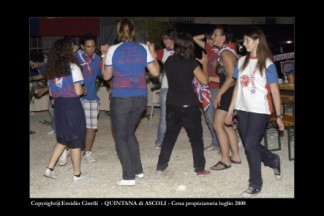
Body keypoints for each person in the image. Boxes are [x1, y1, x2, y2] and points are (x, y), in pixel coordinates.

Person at [225, 26, 284, 197]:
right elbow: (237, 86)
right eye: (244, 40)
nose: (244, 44)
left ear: (257, 41)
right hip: (242, 109)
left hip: (261, 110)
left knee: (250, 145)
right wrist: (231, 110)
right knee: (252, 145)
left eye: (247, 40)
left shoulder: (268, 64)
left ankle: (255, 184)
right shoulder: (241, 61)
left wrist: (279, 116)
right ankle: (273, 160)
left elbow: (274, 91)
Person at [101, 18, 160, 186]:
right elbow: (155, 72)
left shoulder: (113, 49)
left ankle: (128, 177)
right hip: (141, 98)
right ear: (133, 31)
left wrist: (104, 54)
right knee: (129, 134)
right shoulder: (143, 48)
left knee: (120, 137)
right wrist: (153, 53)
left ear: (118, 32)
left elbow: (106, 76)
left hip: (121, 98)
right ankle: (138, 170)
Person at [156, 32, 210, 176]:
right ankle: (199, 168)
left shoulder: (168, 62)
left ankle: (161, 165)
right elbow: (204, 81)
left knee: (169, 136)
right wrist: (204, 64)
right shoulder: (191, 63)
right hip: (189, 105)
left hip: (172, 103)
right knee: (196, 138)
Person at [43, 38, 90, 182]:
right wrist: (83, 89)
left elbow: (51, 93)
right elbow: (77, 91)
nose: (74, 50)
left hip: (59, 106)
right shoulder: (73, 68)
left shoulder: (50, 70)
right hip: (72, 106)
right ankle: (77, 174)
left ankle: (49, 169)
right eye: (71, 48)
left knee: (63, 138)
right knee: (75, 139)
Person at [58, 33, 103, 165]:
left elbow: (105, 75)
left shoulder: (98, 59)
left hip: (91, 97)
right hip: (74, 97)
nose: (91, 49)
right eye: (88, 47)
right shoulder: (74, 58)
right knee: (73, 126)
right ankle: (66, 150)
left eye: (93, 46)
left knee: (91, 127)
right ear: (82, 46)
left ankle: (87, 152)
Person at [210, 25, 241, 171]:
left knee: (218, 125)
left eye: (216, 35)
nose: (213, 37)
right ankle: (235, 156)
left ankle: (225, 159)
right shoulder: (228, 52)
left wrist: (219, 95)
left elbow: (231, 78)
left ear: (224, 37)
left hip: (228, 92)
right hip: (230, 90)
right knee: (227, 125)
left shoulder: (226, 53)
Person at [193, 31, 220, 151]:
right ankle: (216, 142)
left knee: (211, 116)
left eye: (212, 38)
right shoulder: (209, 48)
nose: (208, 41)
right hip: (207, 86)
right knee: (209, 116)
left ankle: (218, 142)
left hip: (217, 86)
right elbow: (195, 38)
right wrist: (206, 36)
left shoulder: (221, 51)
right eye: (208, 39)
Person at [154, 30, 177, 150]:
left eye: (167, 38)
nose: (165, 41)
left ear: (173, 39)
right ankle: (160, 141)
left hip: (179, 88)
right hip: (166, 87)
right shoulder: (163, 52)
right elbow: (149, 56)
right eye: (164, 39)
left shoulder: (181, 51)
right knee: (163, 116)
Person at [29, 53, 56, 135]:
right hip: (52, 88)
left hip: (57, 89)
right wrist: (33, 78)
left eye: (32, 65)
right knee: (52, 108)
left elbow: (55, 81)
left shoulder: (48, 66)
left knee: (54, 109)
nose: (32, 67)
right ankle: (56, 128)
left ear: (38, 61)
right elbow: (43, 75)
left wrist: (44, 90)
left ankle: (58, 129)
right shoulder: (41, 66)